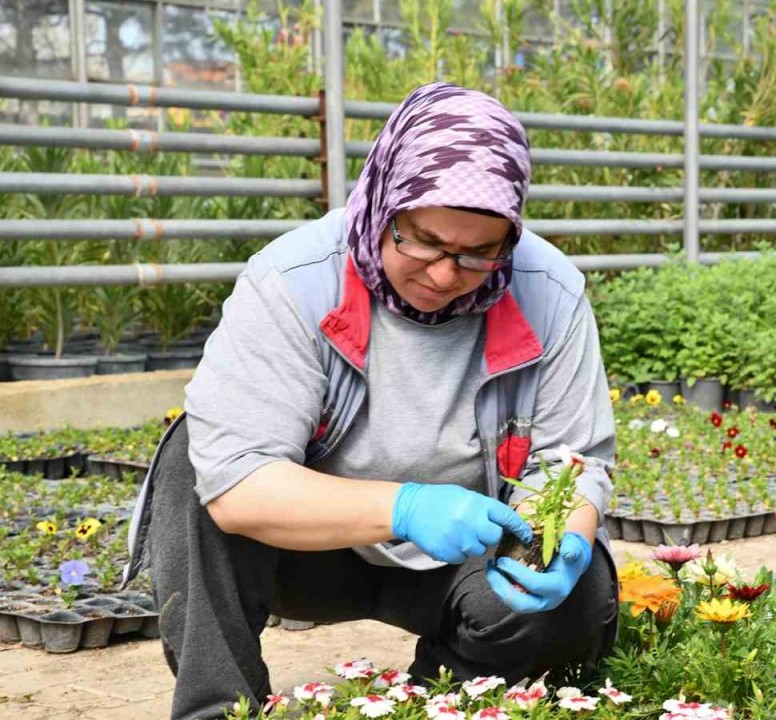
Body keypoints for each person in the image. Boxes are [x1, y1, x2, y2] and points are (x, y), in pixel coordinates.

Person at [123, 83, 619, 720]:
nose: (445, 274)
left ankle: (436, 701)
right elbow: (239, 483)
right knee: (196, 457)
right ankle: (220, 709)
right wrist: (405, 506)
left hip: (463, 561)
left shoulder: (548, 292)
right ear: (384, 201)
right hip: (304, 554)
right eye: (423, 241)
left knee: (581, 593)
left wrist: (567, 540)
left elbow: (569, 459)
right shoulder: (295, 282)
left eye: (478, 253)